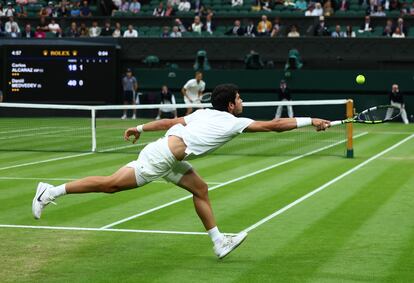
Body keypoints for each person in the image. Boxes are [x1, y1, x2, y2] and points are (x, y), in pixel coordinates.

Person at [32, 83, 331, 258]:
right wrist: (312, 120)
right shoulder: (233, 121)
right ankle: (50, 191)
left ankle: (218, 242)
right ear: (230, 105)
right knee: (110, 185)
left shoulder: (203, 113)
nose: (242, 102)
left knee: (200, 189)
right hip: (160, 158)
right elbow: (275, 126)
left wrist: (139, 127)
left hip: (169, 157)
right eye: (239, 99)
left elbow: (167, 123)